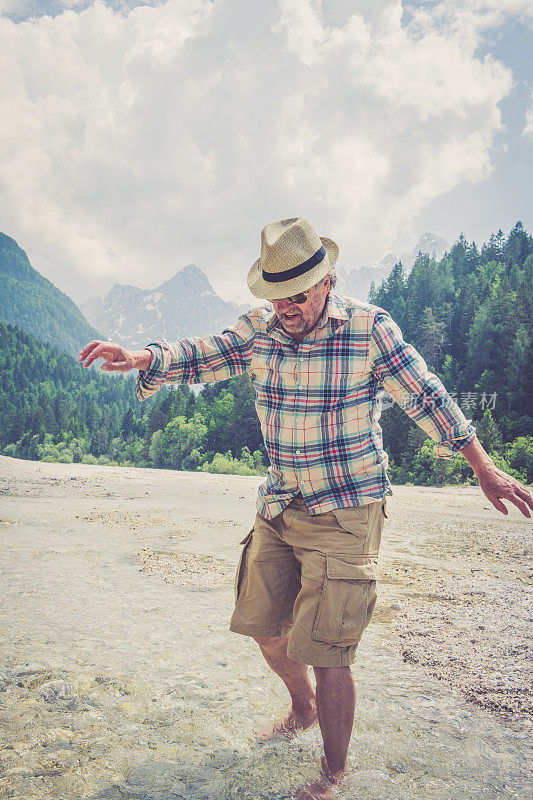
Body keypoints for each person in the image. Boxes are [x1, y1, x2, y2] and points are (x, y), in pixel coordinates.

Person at [79, 217, 532, 800]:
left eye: (298, 293)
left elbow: (427, 397)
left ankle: (334, 774)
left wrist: (482, 466)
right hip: (281, 502)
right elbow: (204, 353)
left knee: (326, 649)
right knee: (266, 630)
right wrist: (145, 358)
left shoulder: (369, 329)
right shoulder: (260, 331)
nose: (287, 307)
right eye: (276, 295)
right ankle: (305, 710)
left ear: (327, 281)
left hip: (347, 509)